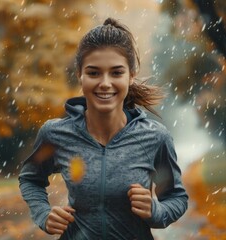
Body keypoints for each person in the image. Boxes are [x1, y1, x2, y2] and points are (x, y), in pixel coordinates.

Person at [18, 17, 188, 240]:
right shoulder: (56, 134)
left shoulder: (155, 137)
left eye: (116, 73)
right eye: (94, 73)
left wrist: (156, 212)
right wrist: (43, 214)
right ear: (80, 75)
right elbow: (30, 178)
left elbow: (176, 197)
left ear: (131, 77)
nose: (105, 83)